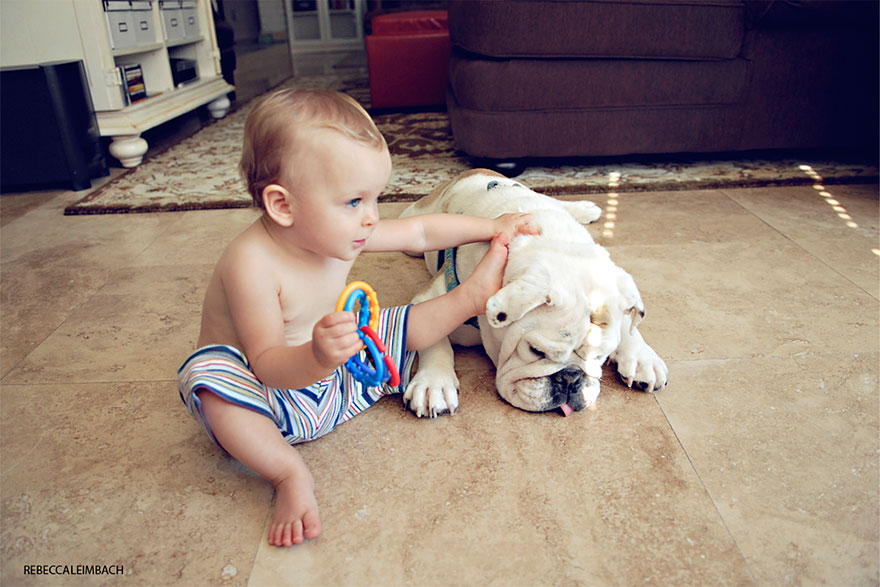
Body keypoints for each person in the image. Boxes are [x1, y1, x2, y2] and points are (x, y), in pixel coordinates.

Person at [178, 88, 538, 547]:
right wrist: (315, 355)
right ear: (283, 206)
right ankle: (287, 473)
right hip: (268, 397)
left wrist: (493, 226)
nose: (371, 218)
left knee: (395, 323)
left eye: (375, 199)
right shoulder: (250, 264)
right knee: (209, 377)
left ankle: (469, 298)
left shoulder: (338, 231)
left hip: (333, 375)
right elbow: (266, 361)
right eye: (354, 201)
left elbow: (421, 230)